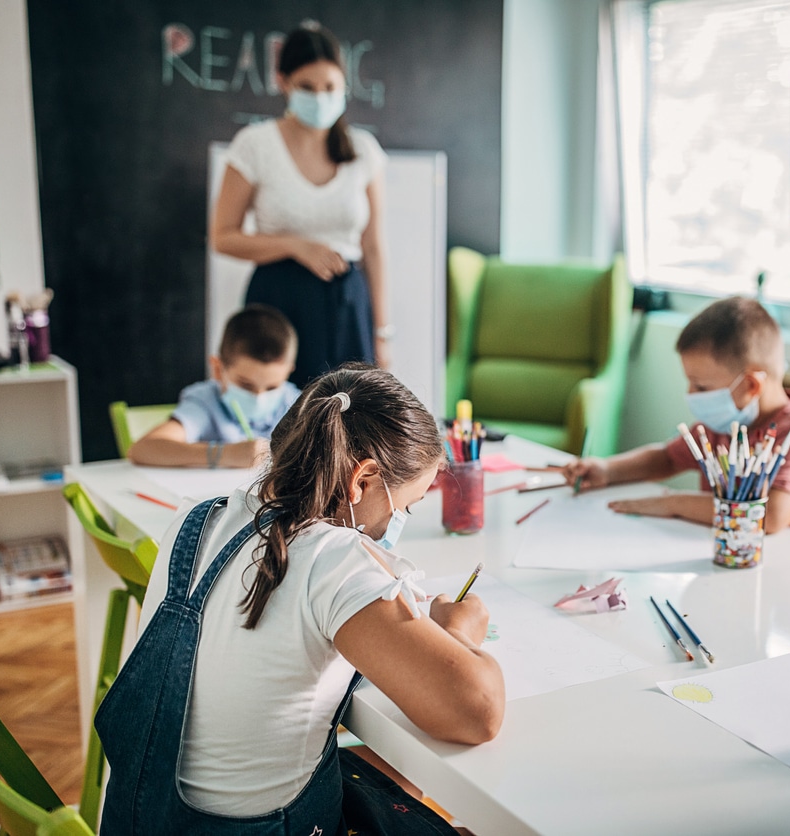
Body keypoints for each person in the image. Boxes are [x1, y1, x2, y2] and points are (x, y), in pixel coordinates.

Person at [97, 365, 504, 834]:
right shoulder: (333, 560)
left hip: (142, 819)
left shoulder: (198, 519)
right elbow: (478, 712)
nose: (397, 523)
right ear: (362, 480)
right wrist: (458, 631)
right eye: (404, 507)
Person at [211, 22, 392, 388]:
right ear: (283, 82)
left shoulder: (363, 151)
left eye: (330, 87)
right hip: (279, 301)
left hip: (347, 303)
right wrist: (295, 246)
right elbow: (222, 237)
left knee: (351, 417)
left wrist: (383, 332)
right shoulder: (254, 144)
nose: (320, 97)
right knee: (287, 420)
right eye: (307, 87)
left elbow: (374, 248)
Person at [562, 297, 790, 535]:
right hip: (719, 555)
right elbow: (667, 458)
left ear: (751, 386)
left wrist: (673, 503)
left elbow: (772, 517)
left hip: (784, 570)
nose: (690, 394)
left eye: (701, 387)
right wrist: (607, 470)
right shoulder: (724, 425)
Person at [128, 304, 300, 468]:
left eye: (272, 388)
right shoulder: (206, 402)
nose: (259, 397)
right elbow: (143, 449)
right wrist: (225, 454)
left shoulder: (298, 404)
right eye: (246, 385)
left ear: (289, 372)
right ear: (218, 369)